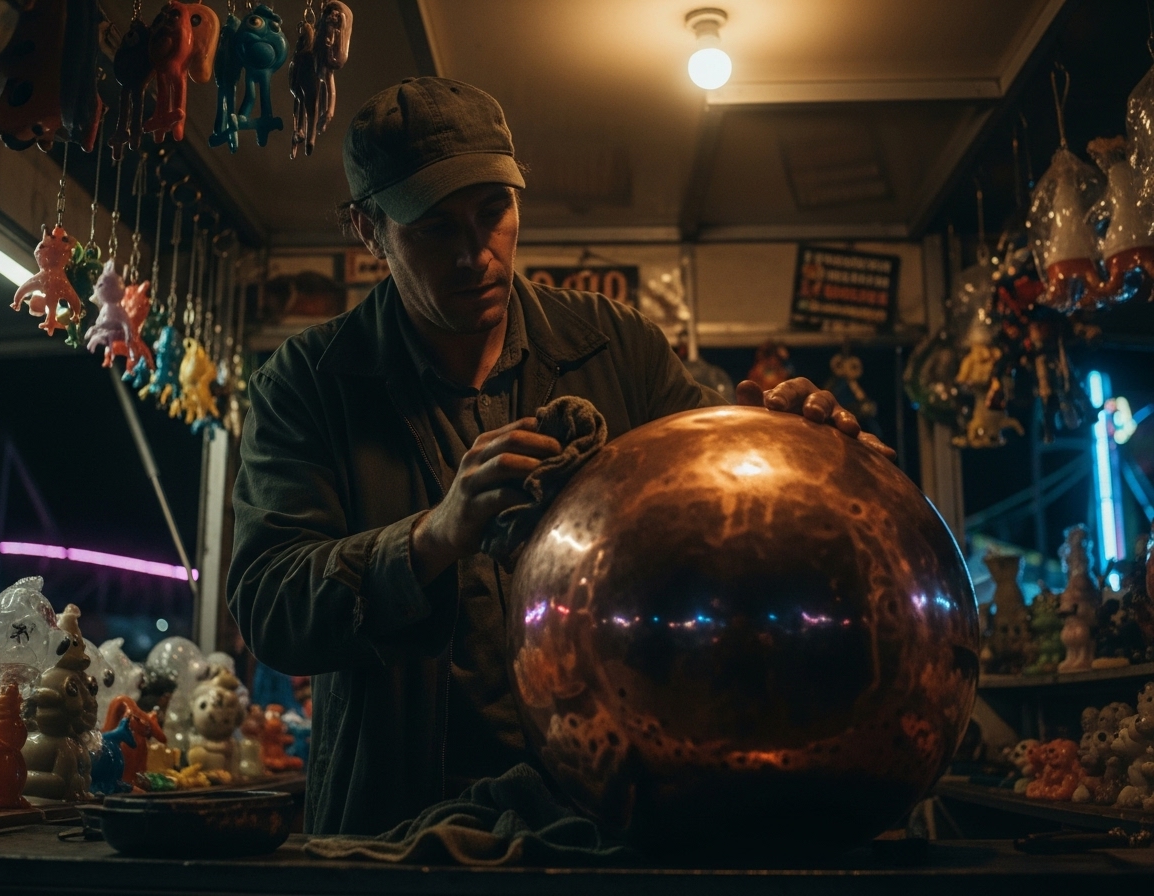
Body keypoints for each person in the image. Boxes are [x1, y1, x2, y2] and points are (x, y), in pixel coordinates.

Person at [227, 77, 891, 837]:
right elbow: (269, 606)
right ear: (366, 230)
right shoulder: (308, 383)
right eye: (435, 229)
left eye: (493, 213)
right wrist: (433, 536)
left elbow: (726, 517)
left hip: (611, 817)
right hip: (399, 830)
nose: (477, 254)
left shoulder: (616, 345)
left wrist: (790, 446)